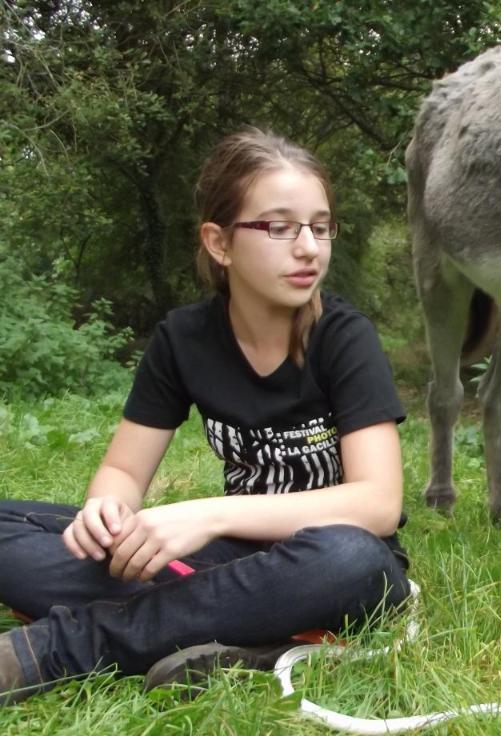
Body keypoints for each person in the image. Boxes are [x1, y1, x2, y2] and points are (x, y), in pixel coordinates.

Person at [0, 128, 411, 704]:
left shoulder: (344, 336)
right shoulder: (182, 339)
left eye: (320, 227)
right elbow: (123, 472)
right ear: (220, 243)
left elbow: (377, 504)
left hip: (324, 563)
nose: (309, 248)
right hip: (222, 564)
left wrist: (208, 515)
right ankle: (238, 635)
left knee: (350, 561)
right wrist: (106, 513)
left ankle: (59, 648)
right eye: (278, 226)